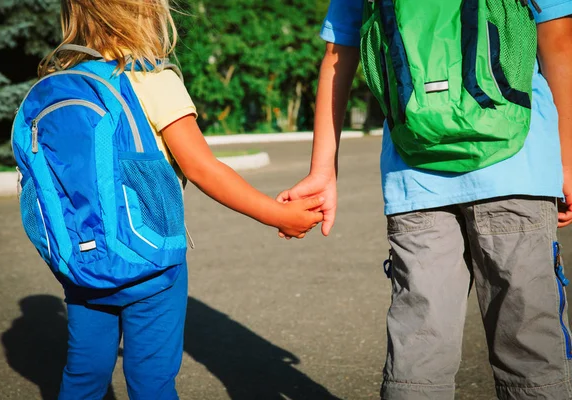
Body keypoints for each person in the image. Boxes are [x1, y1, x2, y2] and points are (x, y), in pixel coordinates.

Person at [278, 0, 572, 399]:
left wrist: (323, 170)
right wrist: (567, 162)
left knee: (418, 346)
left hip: (414, 172)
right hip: (516, 165)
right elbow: (559, 41)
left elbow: (338, 53)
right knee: (529, 345)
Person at [42, 1, 324, 399]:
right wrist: (278, 215)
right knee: (151, 380)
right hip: (151, 263)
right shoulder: (152, 80)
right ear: (150, 14)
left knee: (84, 374)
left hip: (83, 261)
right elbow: (202, 168)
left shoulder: (65, 84)